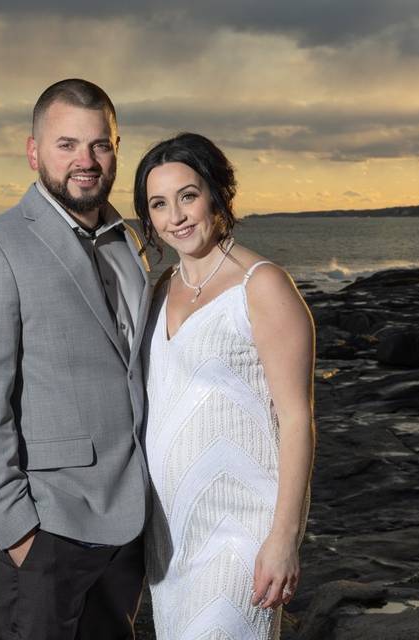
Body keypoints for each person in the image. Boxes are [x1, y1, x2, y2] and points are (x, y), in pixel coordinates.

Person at [0, 79, 151, 639]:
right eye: (66, 145)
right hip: (48, 528)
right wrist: (17, 531)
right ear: (33, 152)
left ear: (115, 149)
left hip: (127, 523)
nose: (85, 161)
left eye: (99, 145)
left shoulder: (127, 242)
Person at [134, 133, 315, 639]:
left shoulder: (262, 286)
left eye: (188, 195)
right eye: (160, 204)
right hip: (170, 539)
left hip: (241, 537)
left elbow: (298, 420)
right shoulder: (155, 292)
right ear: (149, 219)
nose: (178, 216)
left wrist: (284, 539)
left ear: (216, 194)